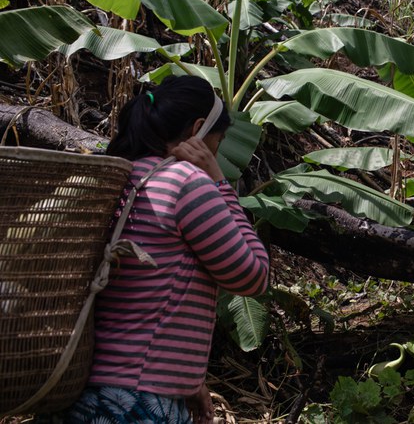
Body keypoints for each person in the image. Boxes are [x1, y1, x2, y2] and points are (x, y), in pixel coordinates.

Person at [63, 76, 270, 423]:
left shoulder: (117, 177)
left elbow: (140, 301)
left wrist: (186, 381)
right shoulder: (186, 184)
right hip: (134, 404)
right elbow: (253, 277)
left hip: (76, 392)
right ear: (199, 130)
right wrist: (219, 181)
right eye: (218, 141)